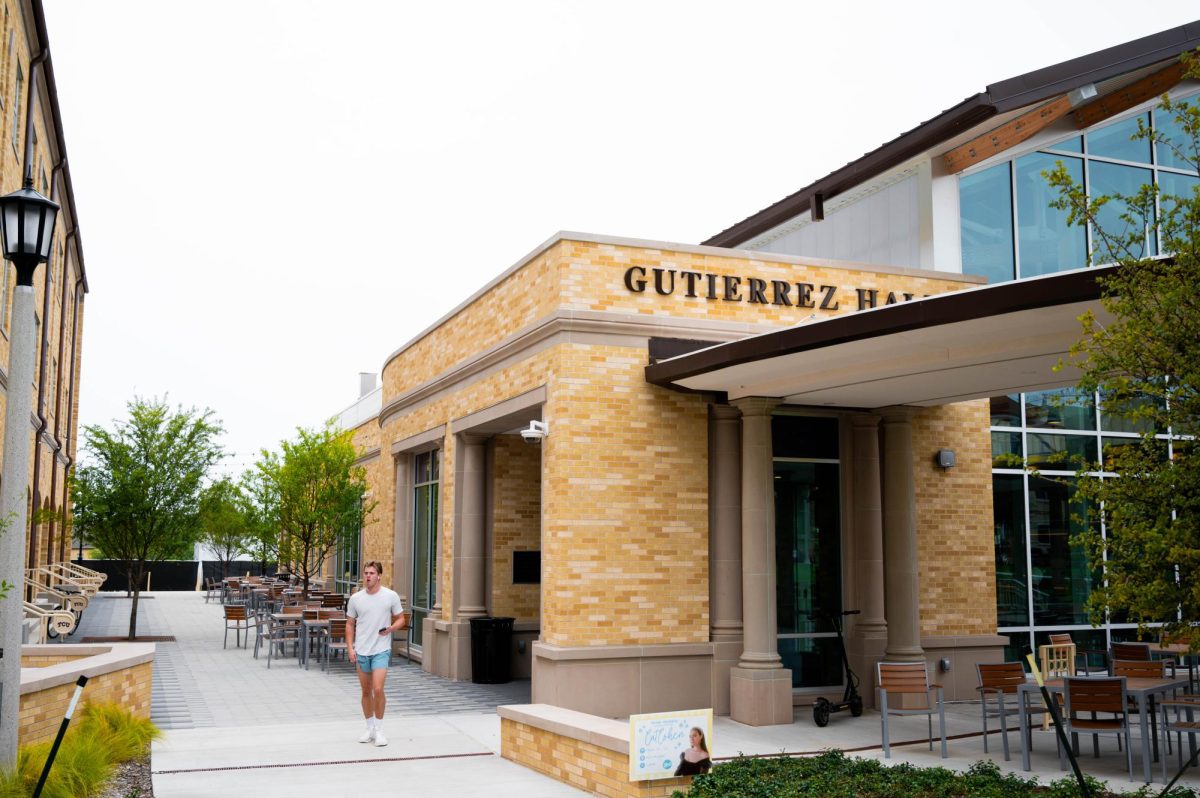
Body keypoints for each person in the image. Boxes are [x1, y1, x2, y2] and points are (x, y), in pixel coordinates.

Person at [346, 561, 406, 747]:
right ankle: (369, 727)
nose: (368, 576)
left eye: (372, 573)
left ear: (379, 575)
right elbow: (349, 624)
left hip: (381, 649)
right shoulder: (356, 599)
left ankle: (379, 730)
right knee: (365, 691)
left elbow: (401, 619)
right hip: (362, 650)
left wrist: (391, 628)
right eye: (366, 573)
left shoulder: (390, 596)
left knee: (378, 689)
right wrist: (350, 648)